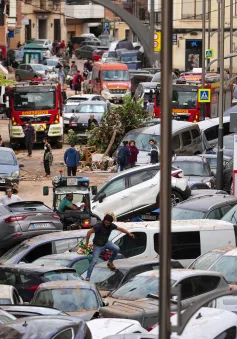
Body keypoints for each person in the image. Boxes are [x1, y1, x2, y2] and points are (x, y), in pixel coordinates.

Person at [84, 214, 135, 281]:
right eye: (106, 222)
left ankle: (110, 262)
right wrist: (86, 243)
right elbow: (89, 232)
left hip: (106, 242)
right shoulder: (98, 226)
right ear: (104, 221)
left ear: (110, 222)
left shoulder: (111, 225)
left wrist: (129, 233)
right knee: (94, 261)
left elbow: (120, 229)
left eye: (108, 223)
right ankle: (87, 277)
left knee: (117, 248)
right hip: (98, 246)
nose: (107, 224)